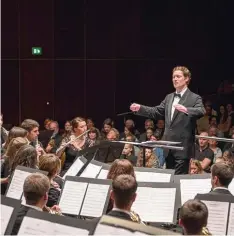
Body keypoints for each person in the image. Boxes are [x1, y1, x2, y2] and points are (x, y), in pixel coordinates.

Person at [130, 66, 205, 174]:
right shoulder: (169, 97)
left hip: (182, 147)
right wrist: (140, 108)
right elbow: (156, 111)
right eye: (173, 77)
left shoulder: (194, 97)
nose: (175, 79)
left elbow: (201, 111)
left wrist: (187, 110)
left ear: (187, 78)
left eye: (178, 76)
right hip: (168, 147)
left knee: (178, 180)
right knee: (170, 179)